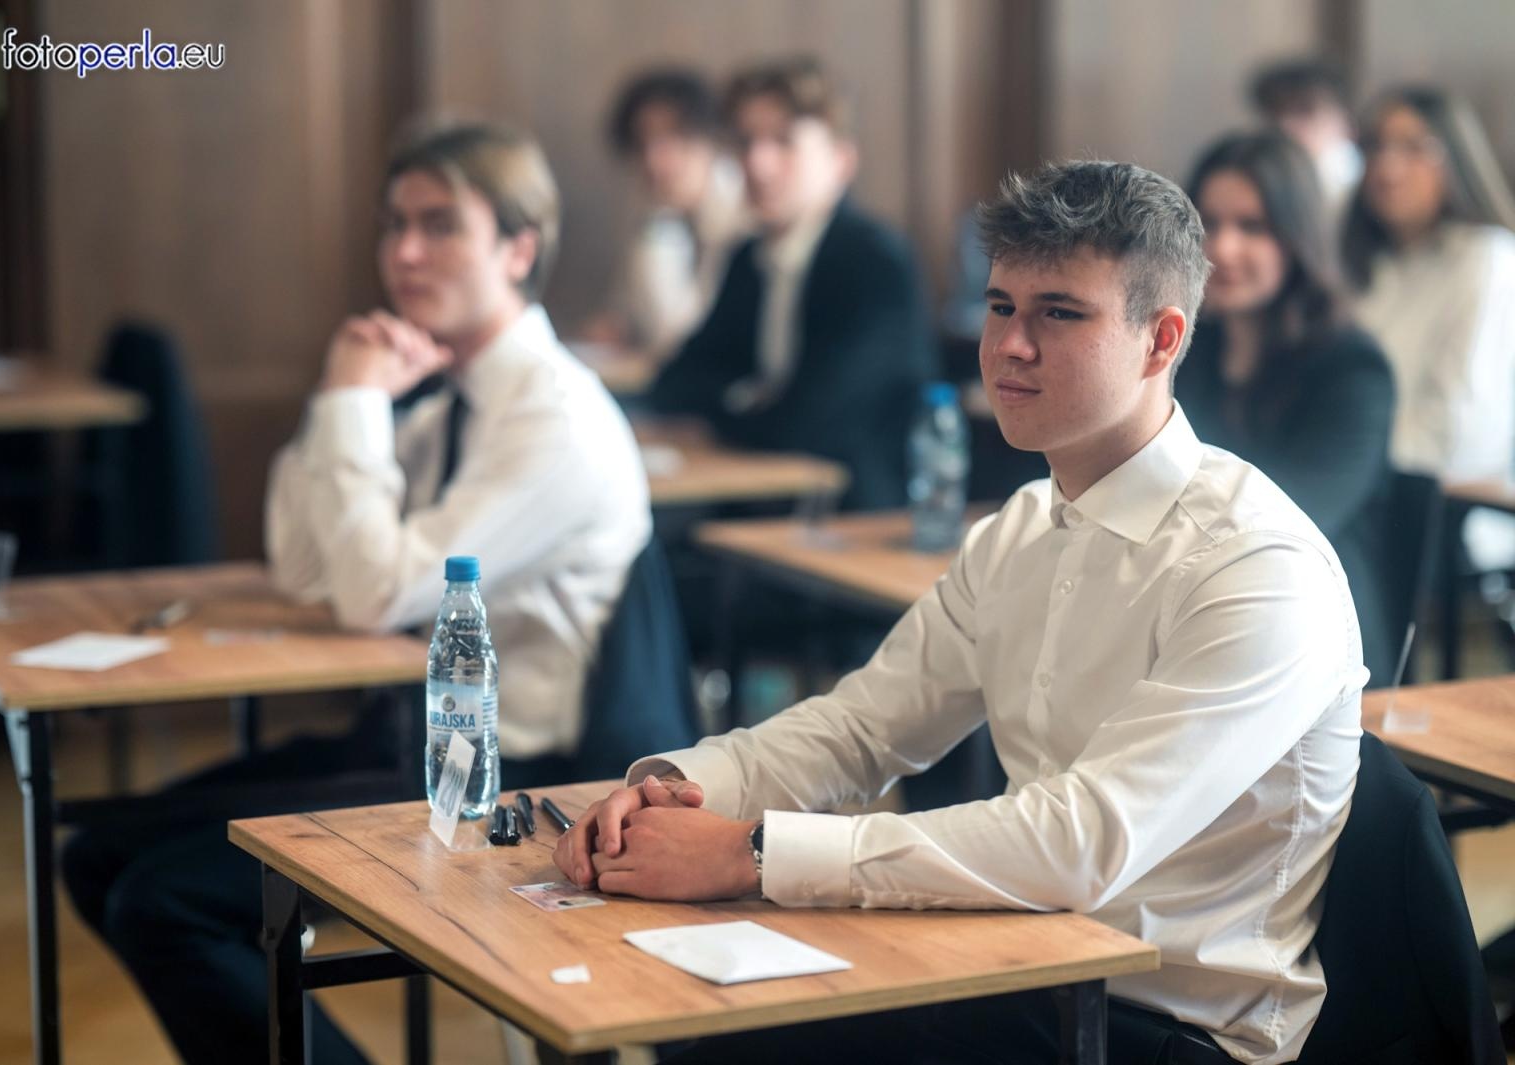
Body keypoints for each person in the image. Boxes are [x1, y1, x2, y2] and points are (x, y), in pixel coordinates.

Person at [557, 160, 1367, 1065]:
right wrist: (677, 787)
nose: (1010, 344)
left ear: (1160, 339)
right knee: (691, 1017)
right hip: (1018, 963)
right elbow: (860, 729)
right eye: (999, 306)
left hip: (1170, 1027)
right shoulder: (1021, 526)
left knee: (730, 1042)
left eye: (1059, 313)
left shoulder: (1259, 565)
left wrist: (748, 852)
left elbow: (1078, 843)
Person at [61, 121, 651, 1065]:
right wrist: (350, 397)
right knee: (95, 854)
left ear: (518, 247)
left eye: (439, 225)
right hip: (420, 747)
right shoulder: (447, 400)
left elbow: (375, 592)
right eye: (394, 225)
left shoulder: (556, 417)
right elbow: (306, 566)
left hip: (513, 782)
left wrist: (354, 405)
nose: (405, 252)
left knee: (162, 899)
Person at [647, 55, 935, 511]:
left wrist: (727, 409)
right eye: (745, 142)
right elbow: (675, 382)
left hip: (861, 515)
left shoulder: (875, 262)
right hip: (768, 501)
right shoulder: (748, 256)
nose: (758, 163)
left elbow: (812, 423)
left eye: (784, 142)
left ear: (842, 160)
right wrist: (750, 402)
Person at [1174, 130, 1396, 682]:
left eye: (1253, 227)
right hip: (1191, 605)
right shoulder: (1181, 346)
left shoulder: (1353, 367)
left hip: (1310, 635)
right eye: (1208, 224)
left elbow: (1283, 523)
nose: (1222, 248)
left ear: (1297, 238)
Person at [1343, 87, 1515, 525]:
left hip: (1446, 517)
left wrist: (1338, 441)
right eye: (1376, 147)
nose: (1388, 167)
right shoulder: (1368, 263)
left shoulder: (1488, 258)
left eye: (1414, 148)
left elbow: (1463, 434)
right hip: (1368, 491)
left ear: (1455, 157)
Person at [583, 66, 749, 363]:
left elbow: (680, 338)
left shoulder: (748, 214)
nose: (654, 159)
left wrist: (660, 234)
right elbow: (625, 315)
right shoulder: (653, 214)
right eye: (643, 143)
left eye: (673, 138)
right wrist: (617, 327)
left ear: (711, 137)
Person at [1249, 58, 1363, 230]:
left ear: (1346, 123)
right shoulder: (1253, 180)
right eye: (1276, 112)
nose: (1285, 125)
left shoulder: (1367, 189)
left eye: (1305, 110)